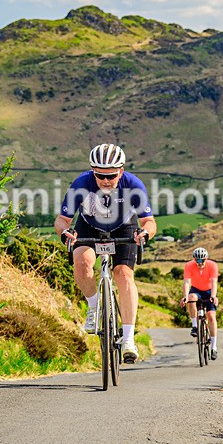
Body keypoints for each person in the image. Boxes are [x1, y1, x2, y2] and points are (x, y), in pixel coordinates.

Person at [55, 143, 157, 364]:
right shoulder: (82, 184)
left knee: (123, 274)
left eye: (111, 175)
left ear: (121, 171)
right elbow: (62, 220)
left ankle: (129, 339)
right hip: (89, 226)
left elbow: (148, 221)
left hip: (124, 226)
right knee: (82, 262)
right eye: (100, 175)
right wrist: (65, 232)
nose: (106, 181)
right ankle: (93, 308)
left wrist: (144, 234)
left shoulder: (133, 185)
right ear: (93, 171)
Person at [180, 247, 219, 360]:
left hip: (209, 291)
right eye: (197, 260)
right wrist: (185, 297)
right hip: (196, 290)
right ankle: (195, 326)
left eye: (202, 260)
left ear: (206, 259)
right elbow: (187, 282)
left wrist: (213, 296)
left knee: (211, 317)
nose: (200, 263)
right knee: (191, 298)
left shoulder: (212, 265)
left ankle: (214, 347)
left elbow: (214, 282)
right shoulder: (189, 266)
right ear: (194, 260)